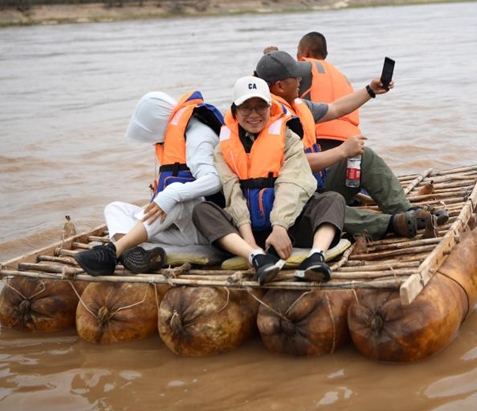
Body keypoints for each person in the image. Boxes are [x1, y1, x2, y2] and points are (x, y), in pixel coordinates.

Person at [254, 50, 447, 240]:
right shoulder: (264, 119)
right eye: (295, 77)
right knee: (329, 204)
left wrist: (371, 90)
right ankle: (394, 223)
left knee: (362, 156)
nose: (300, 80)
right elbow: (295, 164)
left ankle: (407, 211)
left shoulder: (297, 106)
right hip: (294, 203)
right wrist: (342, 150)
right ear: (279, 86)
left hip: (314, 187)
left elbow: (336, 108)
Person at [192, 76, 345, 285]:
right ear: (235, 112)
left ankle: (316, 257)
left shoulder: (288, 138)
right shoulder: (223, 149)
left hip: (287, 226)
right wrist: (250, 243)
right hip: (246, 231)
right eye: (246, 108)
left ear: (270, 108)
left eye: (260, 107)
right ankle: (256, 257)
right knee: (202, 211)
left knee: (332, 200)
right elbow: (232, 193)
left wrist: (280, 227)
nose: (254, 115)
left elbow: (292, 183)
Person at [75, 90, 225, 276]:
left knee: (174, 193)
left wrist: (172, 195)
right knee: (115, 208)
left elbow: (214, 180)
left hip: (205, 227)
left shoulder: (198, 136)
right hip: (180, 228)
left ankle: (112, 252)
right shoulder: (175, 136)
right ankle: (131, 252)